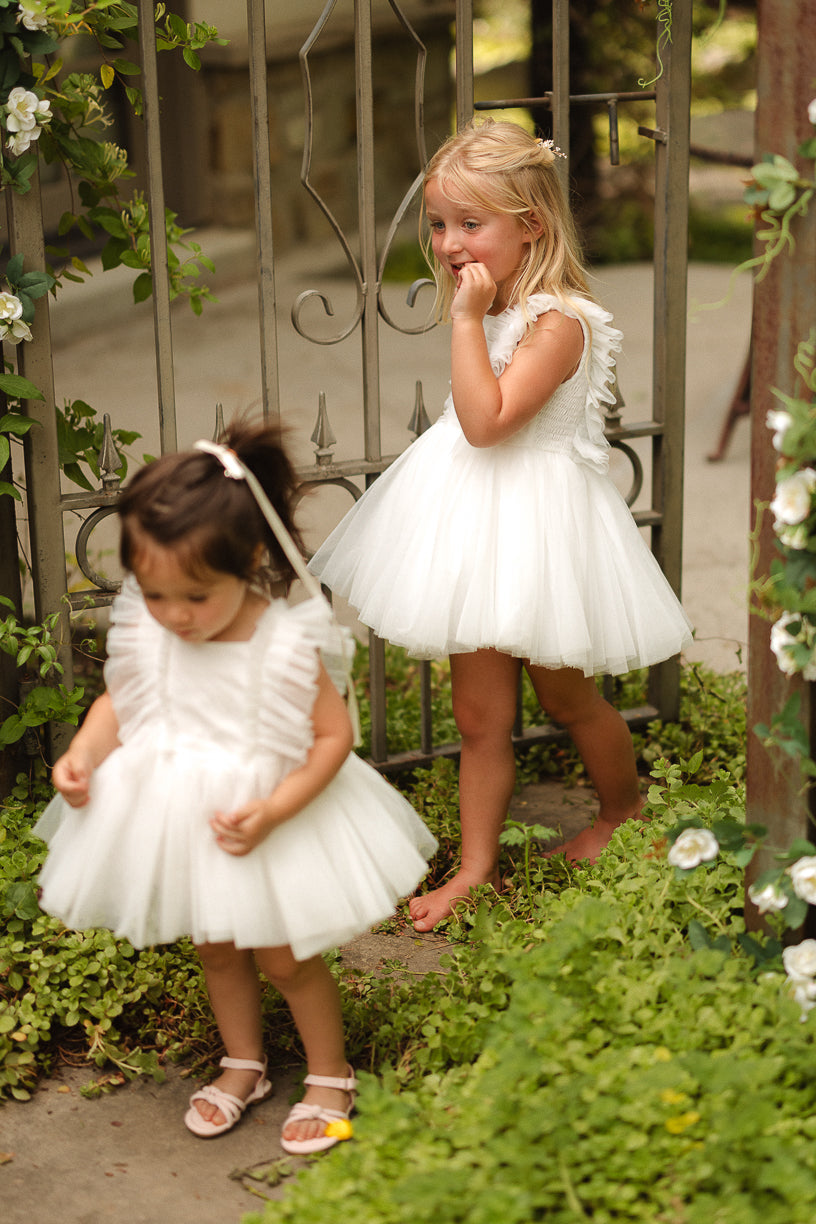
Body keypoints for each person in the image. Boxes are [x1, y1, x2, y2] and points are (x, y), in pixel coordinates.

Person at [309, 119, 693, 933]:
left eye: (469, 224)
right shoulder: (497, 302)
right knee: (480, 717)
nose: (449, 244)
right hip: (467, 524)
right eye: (441, 224)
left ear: (532, 226)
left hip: (542, 532)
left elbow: (487, 424)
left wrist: (461, 323)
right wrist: (472, 317)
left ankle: (623, 813)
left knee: (567, 695)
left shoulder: (560, 323)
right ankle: (476, 867)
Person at [35, 420, 437, 1152]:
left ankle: (328, 1072)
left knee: (285, 954)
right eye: (154, 595)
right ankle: (242, 1062)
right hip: (181, 814)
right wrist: (85, 755)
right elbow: (119, 704)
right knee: (216, 945)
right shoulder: (150, 630)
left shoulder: (283, 642)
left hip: (270, 816)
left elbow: (332, 737)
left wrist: (277, 809)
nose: (173, 616)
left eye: (194, 596)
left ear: (249, 559)